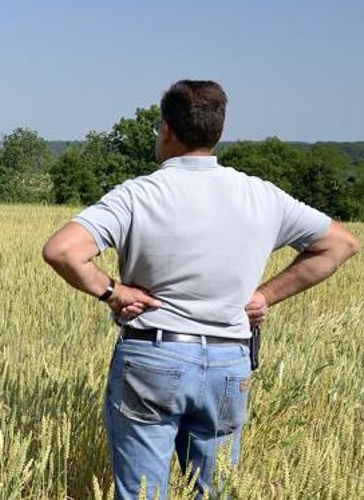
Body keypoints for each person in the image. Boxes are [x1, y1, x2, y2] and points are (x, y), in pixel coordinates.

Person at [41, 80, 359, 499]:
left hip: (153, 354)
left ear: (167, 129)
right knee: (215, 491)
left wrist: (113, 292)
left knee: (141, 493)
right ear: (218, 131)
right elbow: (342, 243)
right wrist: (264, 295)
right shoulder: (262, 195)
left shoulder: (138, 194)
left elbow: (62, 250)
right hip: (230, 361)